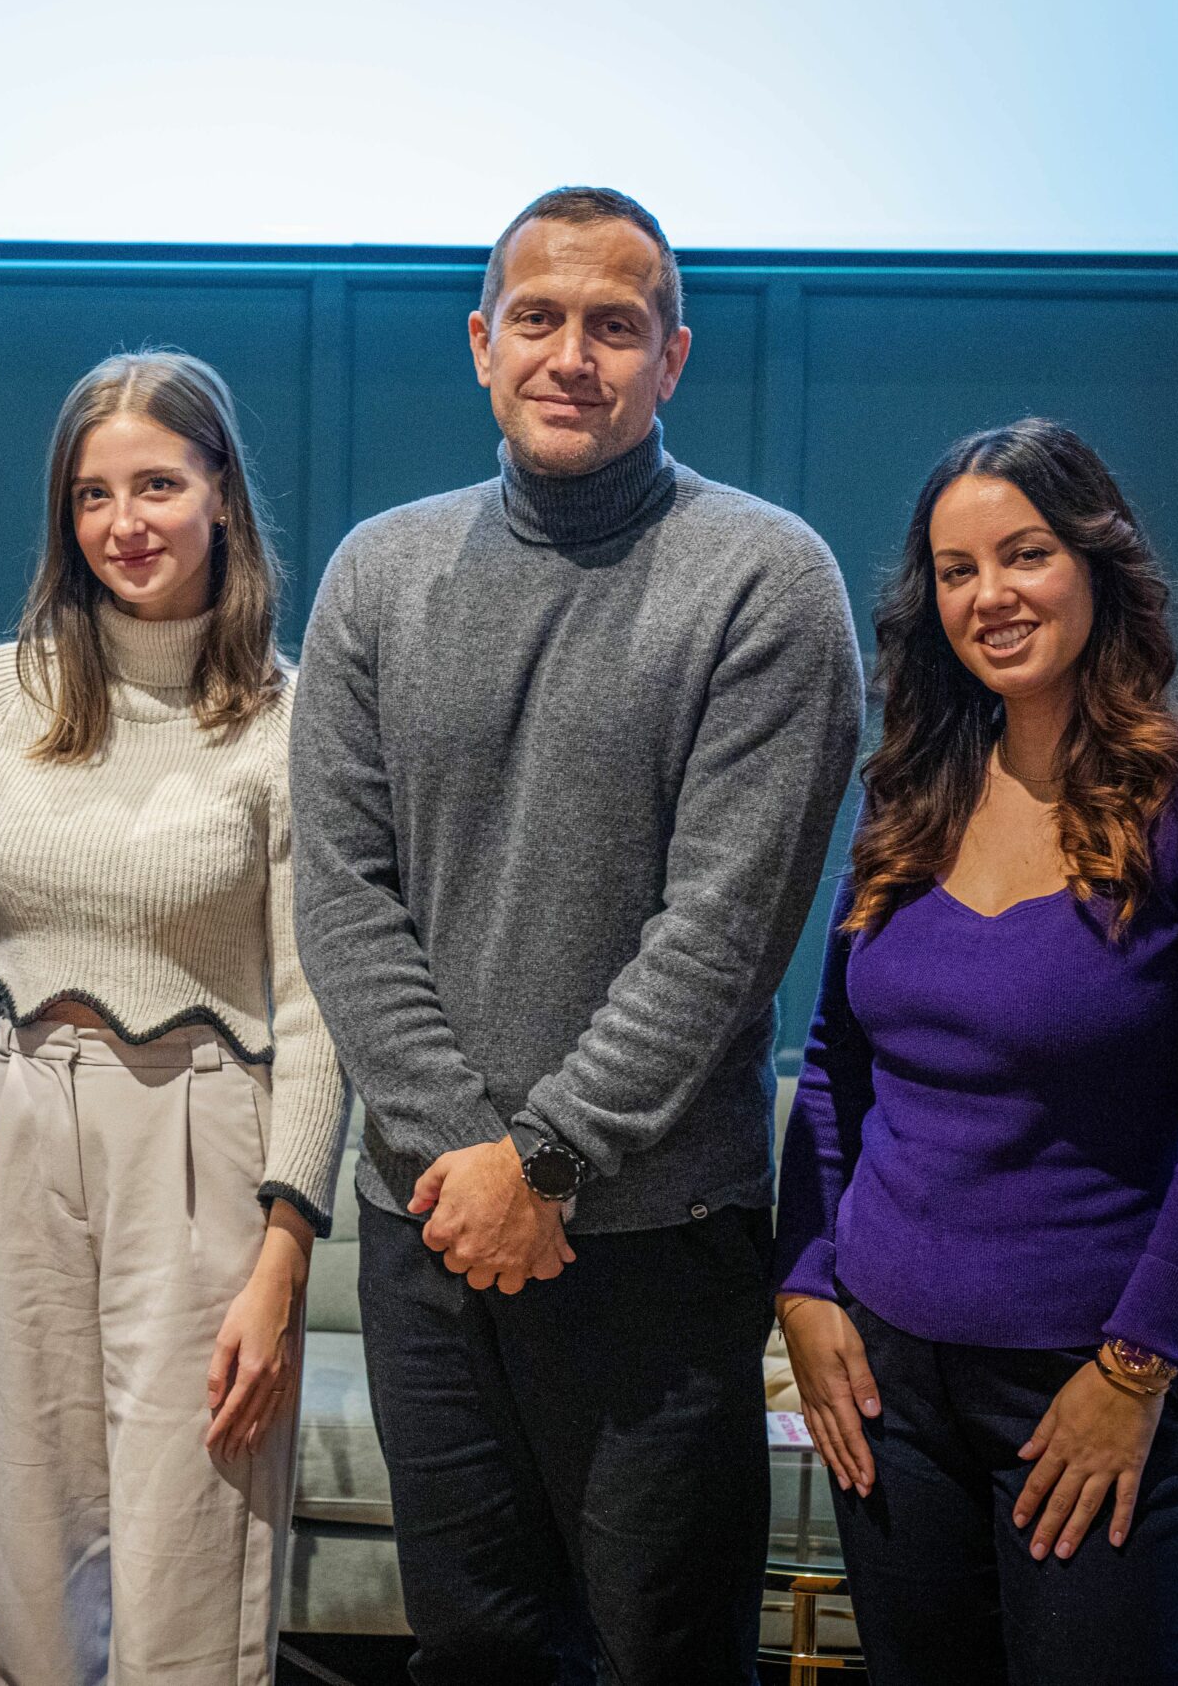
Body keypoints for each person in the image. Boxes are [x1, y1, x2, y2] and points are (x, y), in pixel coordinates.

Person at [289, 186, 863, 1684]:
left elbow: (724, 931)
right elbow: (343, 894)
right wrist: (466, 1161)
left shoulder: (765, 578)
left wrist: (542, 1162)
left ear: (672, 357)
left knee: (660, 1654)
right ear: (482, 343)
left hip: (657, 1243)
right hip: (430, 1230)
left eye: (615, 325)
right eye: (537, 318)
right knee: (472, 1650)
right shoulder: (378, 573)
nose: (571, 355)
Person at [772, 419, 1178, 1685]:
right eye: (956, 571)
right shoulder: (909, 788)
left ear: (1095, 562)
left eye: (1024, 555)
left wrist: (1134, 1370)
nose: (990, 596)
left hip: (1092, 1381)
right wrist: (803, 1286)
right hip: (888, 1386)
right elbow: (835, 1063)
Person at [0, 350, 350, 1685]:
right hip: (18, 1127)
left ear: (222, 492)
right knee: (40, 1559)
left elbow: (314, 1005)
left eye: (158, 484)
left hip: (202, 1132)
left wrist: (283, 1258)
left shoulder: (286, 713)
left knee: (191, 1546)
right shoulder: (2, 691)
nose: (126, 522)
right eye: (94, 494)